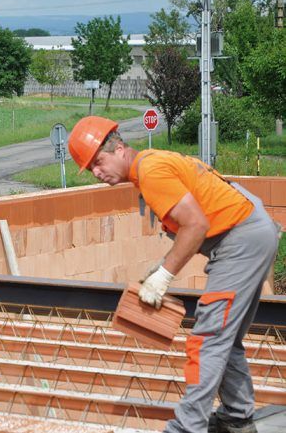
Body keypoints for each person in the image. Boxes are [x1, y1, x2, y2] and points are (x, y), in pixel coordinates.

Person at [68, 116, 279, 433]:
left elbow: (196, 225)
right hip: (251, 232)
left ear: (120, 149)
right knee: (225, 336)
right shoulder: (152, 165)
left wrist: (164, 275)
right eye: (91, 169)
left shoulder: (151, 172)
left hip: (240, 240)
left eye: (99, 162)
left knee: (207, 339)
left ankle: (188, 426)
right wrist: (163, 265)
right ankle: (237, 416)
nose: (98, 173)